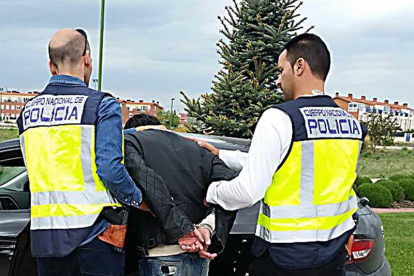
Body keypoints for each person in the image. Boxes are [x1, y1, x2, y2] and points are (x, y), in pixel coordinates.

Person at [198, 33, 368, 276]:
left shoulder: (280, 117)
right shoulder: (352, 126)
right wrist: (224, 155)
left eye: (280, 70)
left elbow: (248, 191)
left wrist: (211, 193)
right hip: (333, 256)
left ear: (299, 66)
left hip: (284, 259)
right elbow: (294, 165)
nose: (278, 80)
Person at [17, 29, 143, 276]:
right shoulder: (101, 104)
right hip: (94, 234)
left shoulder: (27, 113)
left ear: (51, 67)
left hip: (45, 240)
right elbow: (110, 169)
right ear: (87, 59)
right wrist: (137, 198)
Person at [122, 114, 237, 276]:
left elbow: (150, 184)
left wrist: (183, 231)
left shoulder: (131, 142)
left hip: (159, 255)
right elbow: (231, 190)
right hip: (199, 254)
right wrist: (207, 229)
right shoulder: (198, 148)